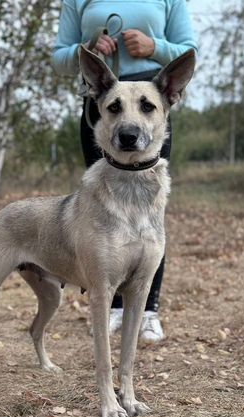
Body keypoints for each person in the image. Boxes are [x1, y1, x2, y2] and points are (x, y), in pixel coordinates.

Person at [53, 0, 197, 342]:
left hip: (151, 102)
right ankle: (113, 306)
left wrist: (153, 47)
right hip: (105, 104)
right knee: (102, 216)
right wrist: (84, 50)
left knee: (148, 217)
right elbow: (59, 58)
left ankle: (147, 310)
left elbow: (189, 51)